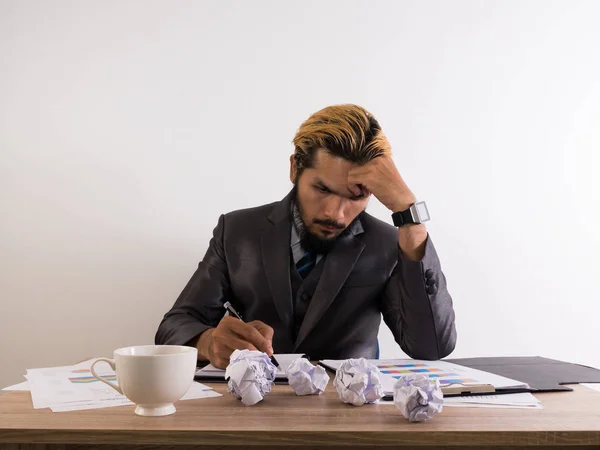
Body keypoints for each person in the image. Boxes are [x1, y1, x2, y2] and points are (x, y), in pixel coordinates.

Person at [155, 104, 456, 368]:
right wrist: (209, 342)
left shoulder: (389, 244)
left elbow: (430, 348)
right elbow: (174, 326)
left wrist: (410, 217)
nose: (335, 214)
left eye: (356, 195)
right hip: (251, 408)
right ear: (294, 168)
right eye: (322, 189)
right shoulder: (236, 231)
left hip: (350, 414)